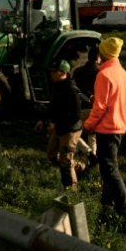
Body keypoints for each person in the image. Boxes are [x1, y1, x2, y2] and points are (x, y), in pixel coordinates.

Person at [84, 37, 126, 215]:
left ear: (103, 54)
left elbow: (100, 107)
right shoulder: (124, 74)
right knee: (108, 167)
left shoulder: (104, 75)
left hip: (107, 128)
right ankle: (107, 203)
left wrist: (88, 124)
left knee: (110, 169)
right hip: (119, 126)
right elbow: (116, 101)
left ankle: (124, 207)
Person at [34, 59, 90, 191]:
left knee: (65, 162)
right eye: (51, 71)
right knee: (51, 155)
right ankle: (80, 168)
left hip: (70, 130)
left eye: (54, 71)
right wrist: (42, 119)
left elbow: (76, 115)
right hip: (59, 128)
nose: (51, 74)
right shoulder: (57, 86)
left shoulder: (71, 90)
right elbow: (53, 106)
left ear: (63, 72)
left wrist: (57, 126)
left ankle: (71, 192)